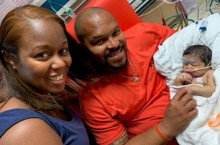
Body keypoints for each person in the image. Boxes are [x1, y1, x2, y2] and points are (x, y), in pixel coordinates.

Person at [69, 7, 198, 145]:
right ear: (84, 50)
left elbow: (191, 45)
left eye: (115, 32)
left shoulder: (144, 34)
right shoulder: (93, 101)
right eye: (100, 41)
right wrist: (166, 127)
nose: (114, 44)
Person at [0, 5, 90, 145]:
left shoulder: (44, 94)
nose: (60, 63)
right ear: (10, 59)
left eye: (63, 50)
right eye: (42, 55)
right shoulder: (24, 130)